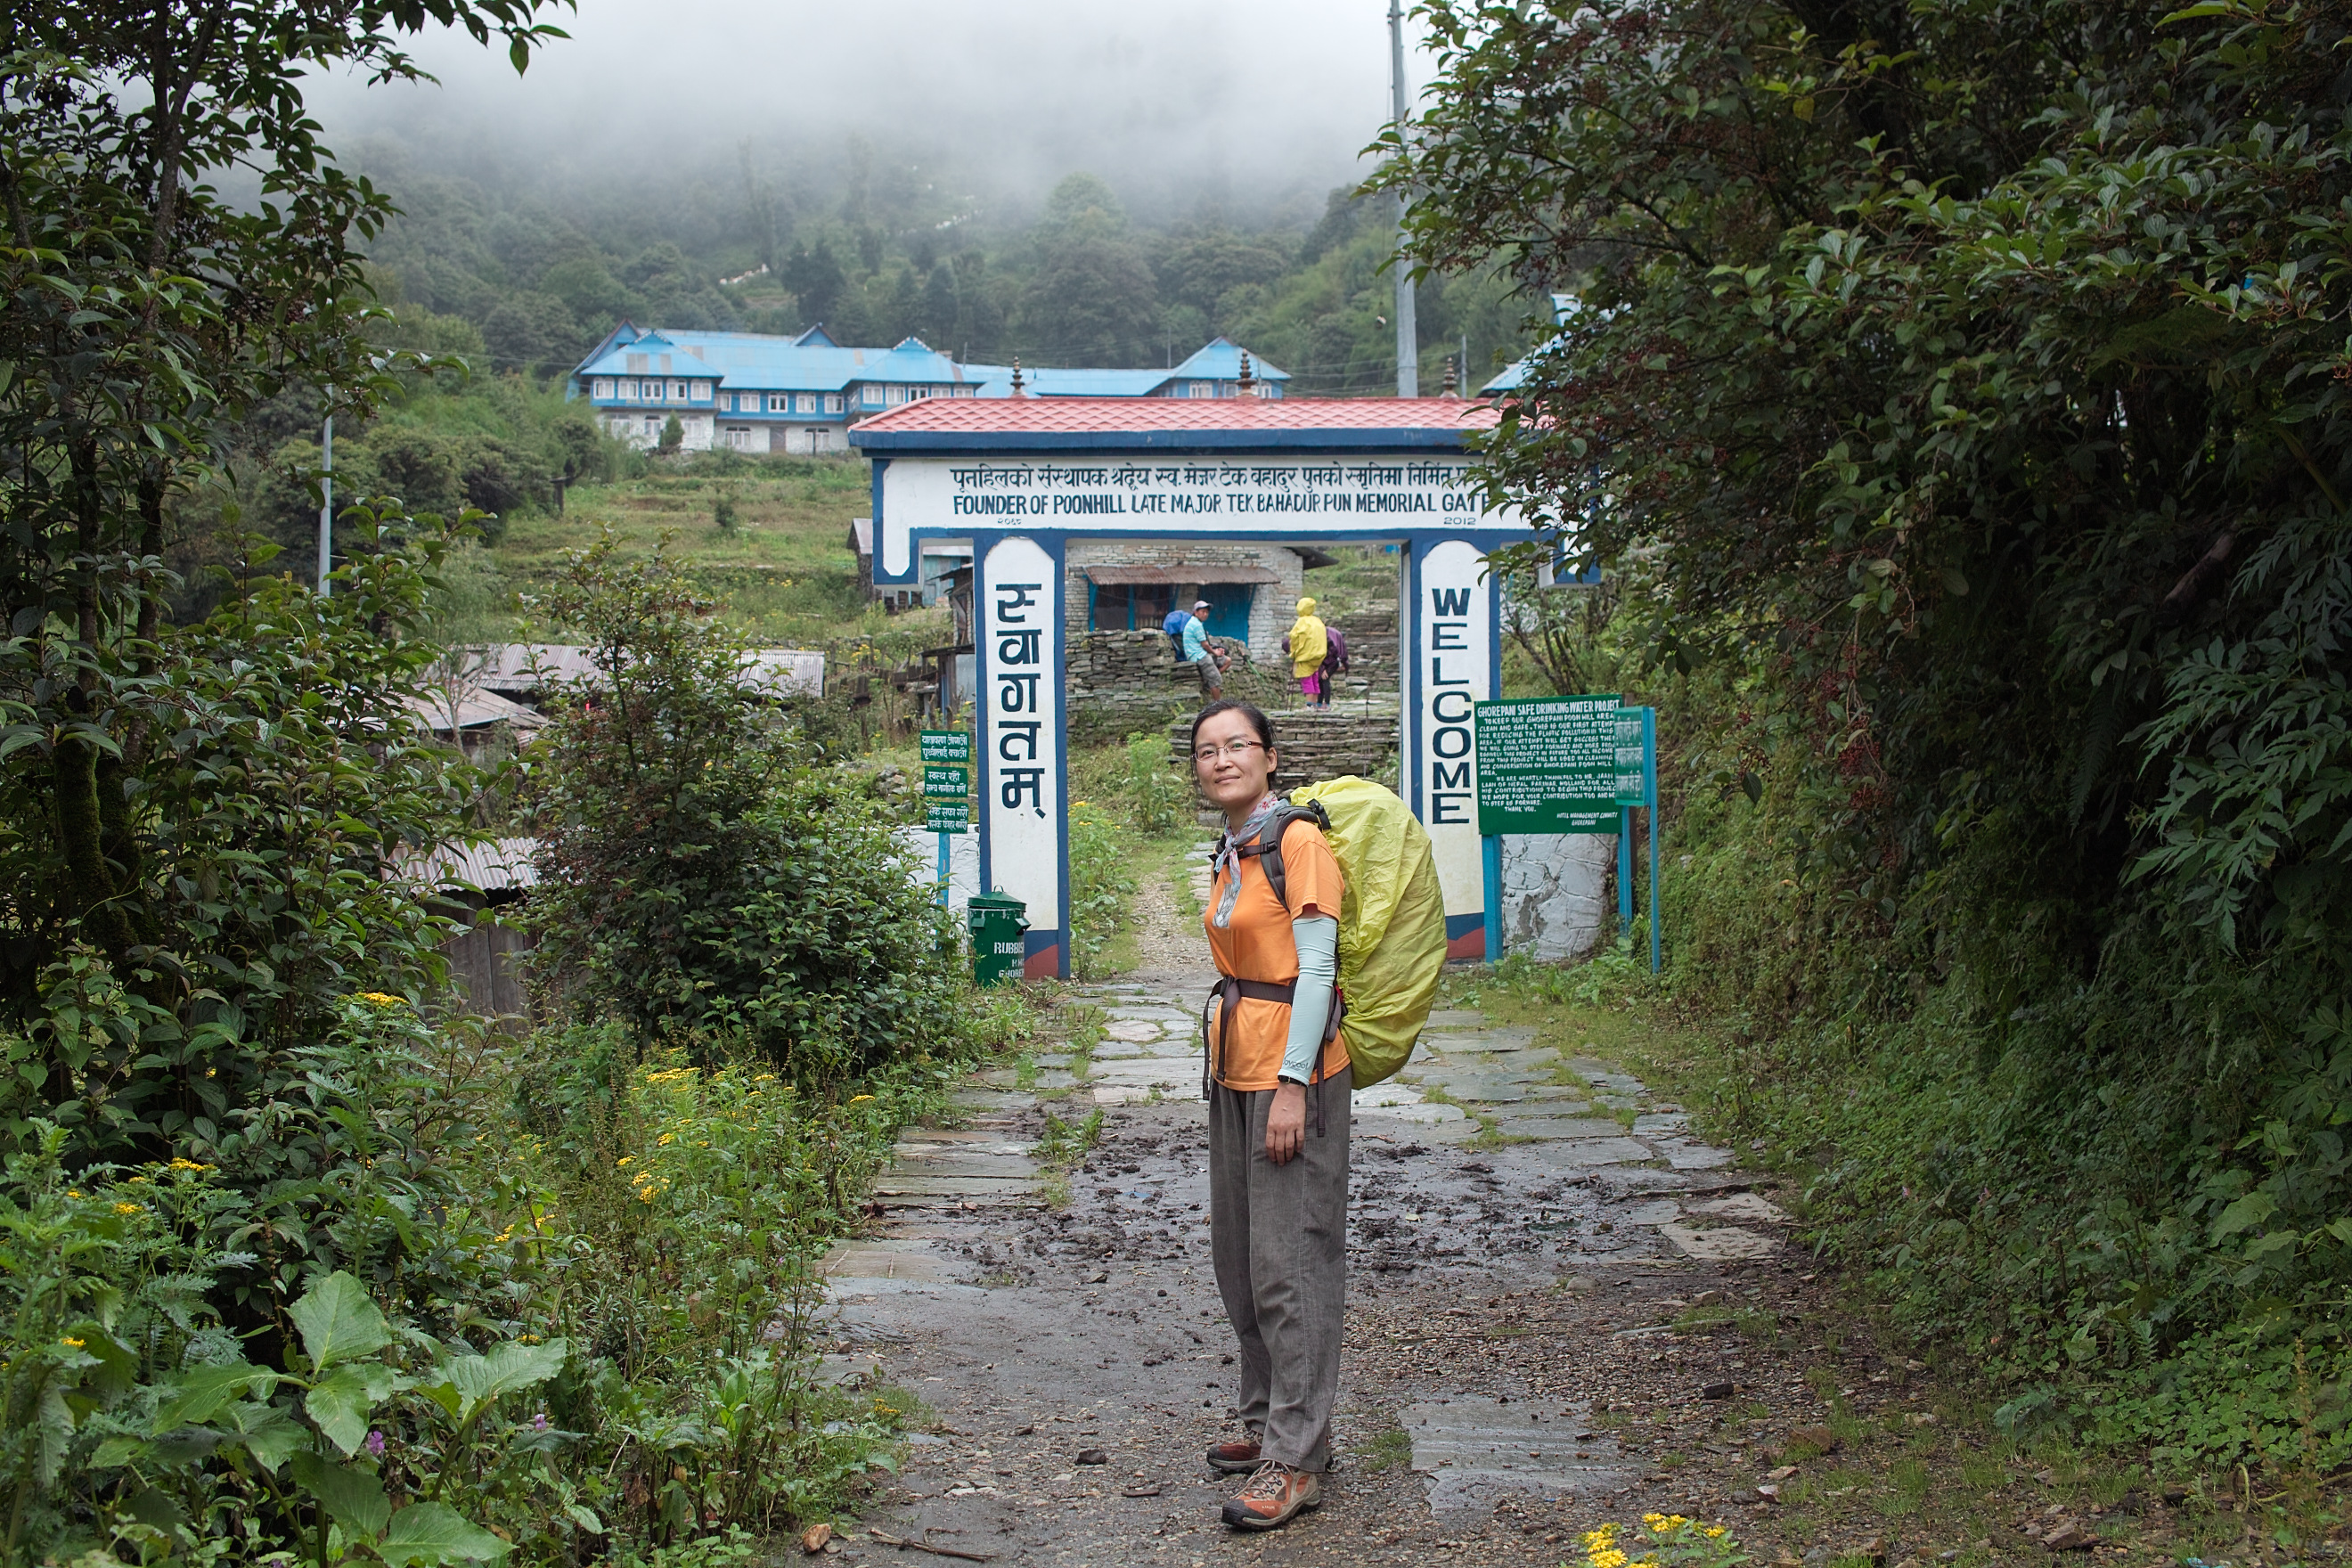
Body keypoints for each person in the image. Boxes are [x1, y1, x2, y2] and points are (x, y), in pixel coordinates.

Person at [1191, 698, 1349, 1533]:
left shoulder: (1297, 842)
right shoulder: (1233, 845)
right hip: (1234, 1068)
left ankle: (1297, 1457)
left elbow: (1317, 969)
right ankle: (1266, 1420)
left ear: (1270, 756)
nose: (1221, 760)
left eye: (1237, 746)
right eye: (1206, 751)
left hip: (1293, 1071)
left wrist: (1293, 1083)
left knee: (1292, 1262)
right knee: (1241, 1259)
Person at [1285, 597, 1328, 706]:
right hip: (1318, 656)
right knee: (1315, 680)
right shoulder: (1318, 621)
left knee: (1307, 680)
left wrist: (1294, 652)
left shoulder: (1302, 621)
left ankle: (1309, 705)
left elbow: (1295, 637)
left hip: (1306, 656)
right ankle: (1315, 703)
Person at [1180, 599, 1227, 696]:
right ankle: (1217, 704)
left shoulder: (1196, 623)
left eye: (1207, 612)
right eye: (1203, 612)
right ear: (1196, 612)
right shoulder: (1196, 625)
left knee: (1227, 661)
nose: (1205, 614)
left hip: (1200, 653)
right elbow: (1205, 645)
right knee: (1216, 680)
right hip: (1198, 656)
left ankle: (1208, 680)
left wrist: (1215, 651)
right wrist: (1215, 652)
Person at [1315, 623, 1348, 708]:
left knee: (1324, 678)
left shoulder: (1331, 643)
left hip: (1332, 663)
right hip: (1325, 662)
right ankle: (1319, 702)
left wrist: (1324, 669)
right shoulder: (1324, 638)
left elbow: (1332, 656)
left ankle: (1327, 703)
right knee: (1320, 680)